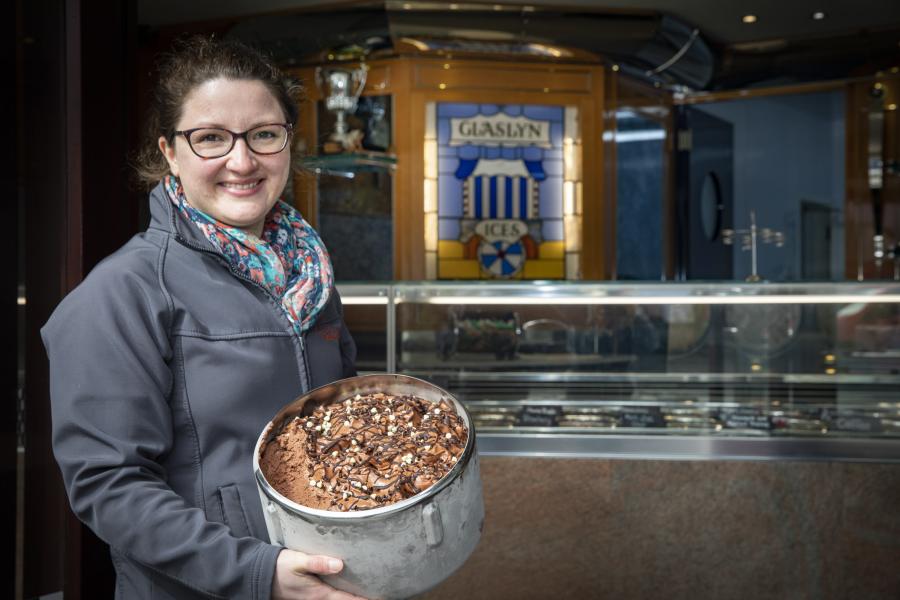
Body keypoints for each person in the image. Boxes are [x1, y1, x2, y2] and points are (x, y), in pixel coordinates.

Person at [41, 36, 366, 600]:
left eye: (264, 135)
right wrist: (259, 573)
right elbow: (109, 486)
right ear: (169, 152)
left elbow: (340, 420)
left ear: (288, 142)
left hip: (329, 578)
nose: (241, 162)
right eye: (211, 138)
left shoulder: (308, 277)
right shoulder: (123, 292)